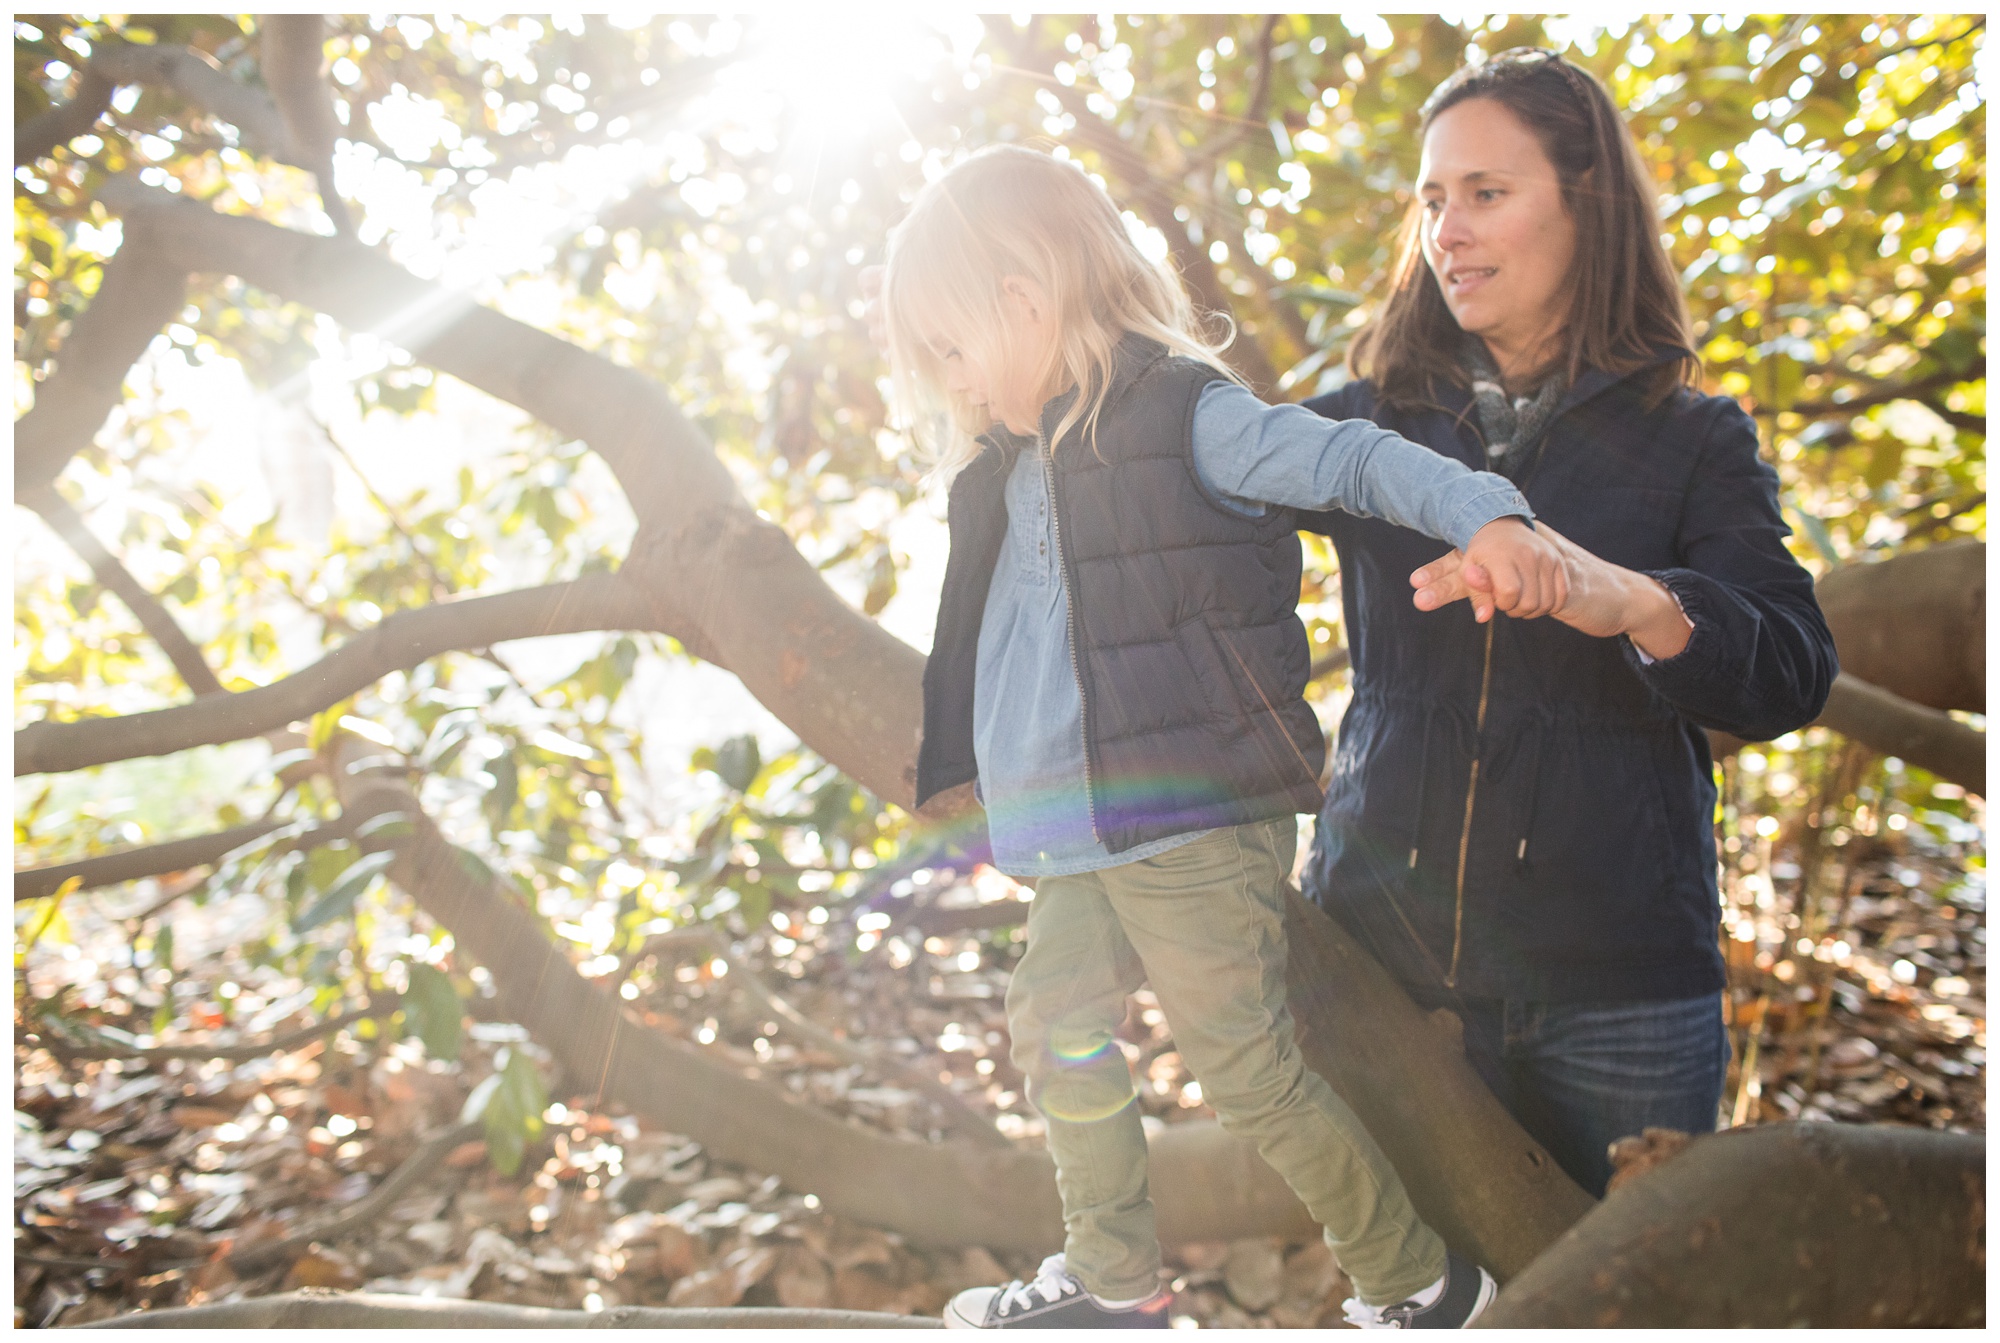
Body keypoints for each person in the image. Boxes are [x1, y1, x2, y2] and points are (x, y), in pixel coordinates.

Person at [883, 145, 1568, 1330]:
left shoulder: (1185, 416)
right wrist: (969, 764)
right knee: (1055, 1030)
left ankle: (1418, 1281)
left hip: (1192, 821)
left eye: (952, 348)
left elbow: (1349, 459)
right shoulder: (1007, 464)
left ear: (1022, 301)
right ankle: (1114, 1284)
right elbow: (1009, 641)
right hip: (1074, 833)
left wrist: (1487, 512)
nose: (947, 381)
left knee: (1247, 1069)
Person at [1296, 49, 1838, 1199]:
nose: (1447, 230)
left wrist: (1637, 602)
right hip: (1386, 964)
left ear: (1583, 207)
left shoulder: (1694, 436)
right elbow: (1179, 507)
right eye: (1432, 200)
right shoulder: (1357, 425)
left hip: (1623, 991)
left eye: (1485, 193)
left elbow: (1790, 671)